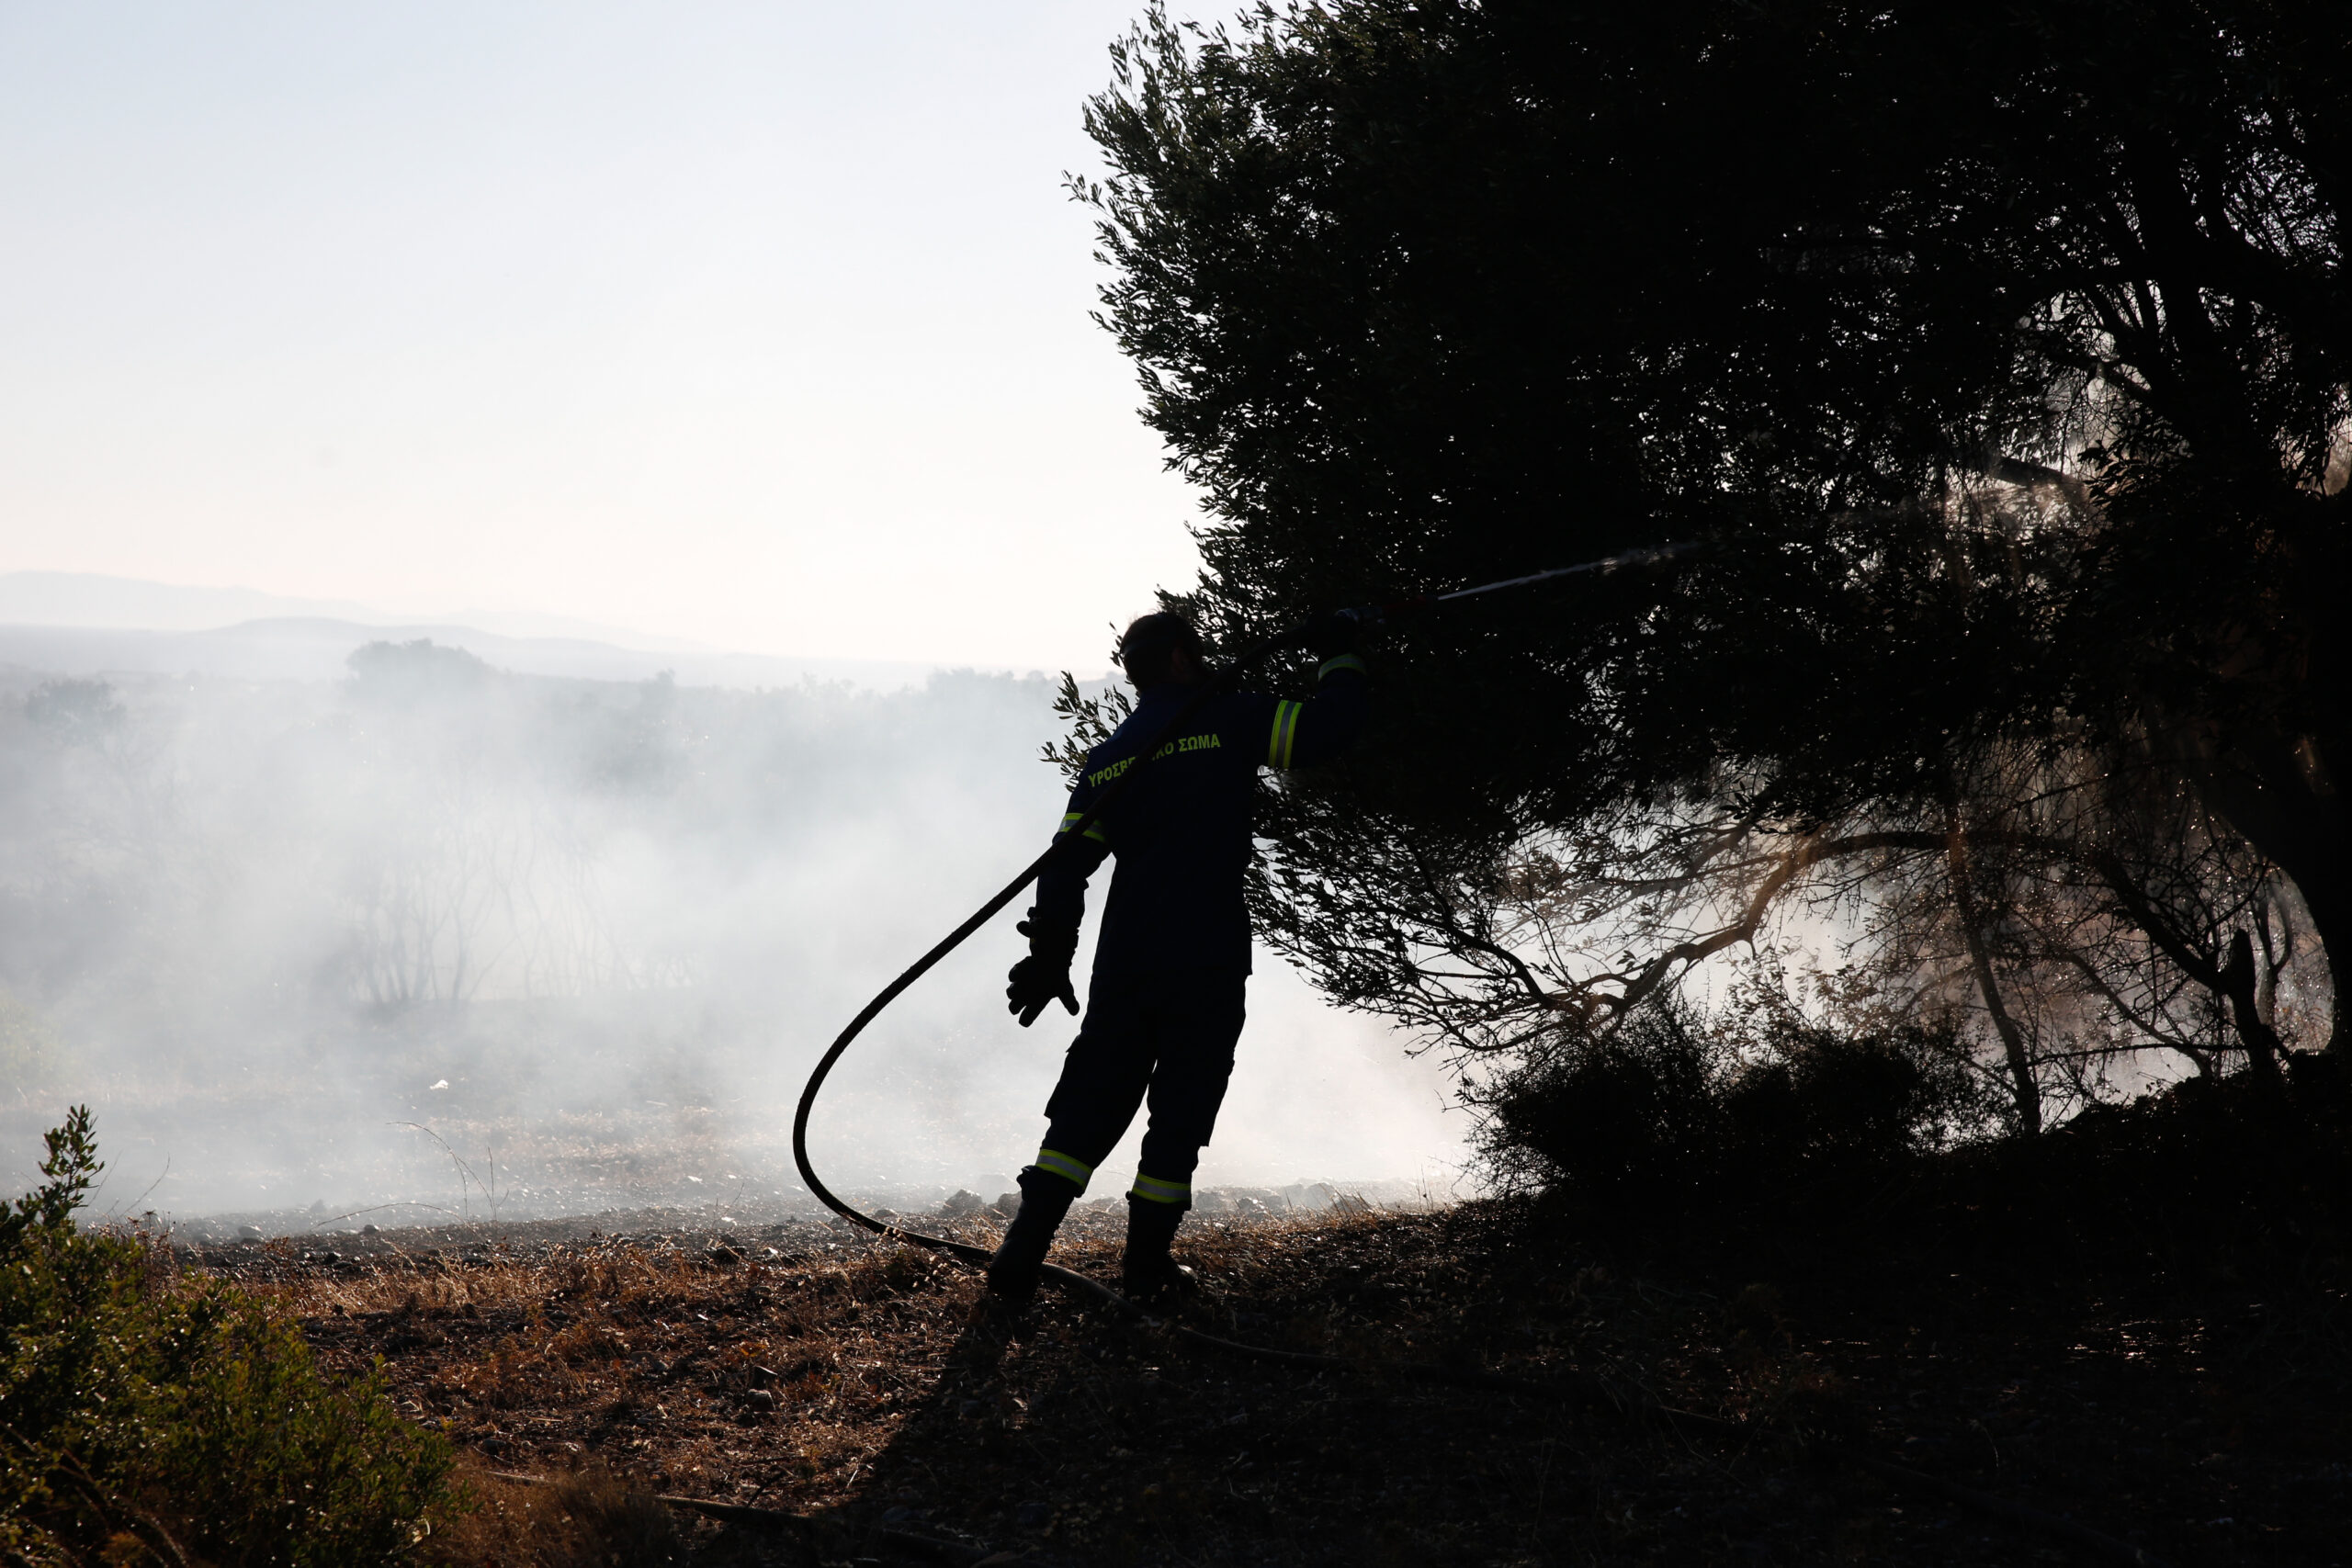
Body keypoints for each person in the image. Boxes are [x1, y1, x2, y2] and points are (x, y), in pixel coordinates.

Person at [985, 607, 1370, 1314]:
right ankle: (1147, 1265)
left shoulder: (1113, 754)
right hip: (1207, 952)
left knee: (1092, 1099)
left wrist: (1050, 954)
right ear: (1182, 660)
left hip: (1127, 957)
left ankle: (1019, 1252)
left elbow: (1066, 865)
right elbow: (1329, 729)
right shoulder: (1228, 718)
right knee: (1183, 1106)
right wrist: (1339, 654)